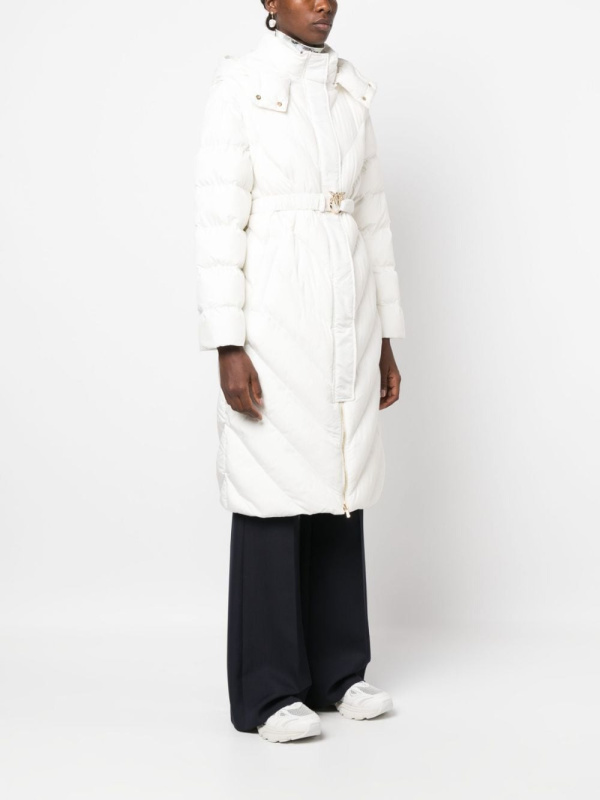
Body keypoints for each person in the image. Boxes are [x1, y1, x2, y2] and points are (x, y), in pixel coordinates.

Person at [195, 0, 406, 742]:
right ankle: (267, 690)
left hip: (349, 305)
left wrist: (387, 337)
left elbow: (373, 219)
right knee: (272, 485)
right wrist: (228, 343)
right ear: (267, 2)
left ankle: (338, 672)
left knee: (341, 484)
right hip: (275, 309)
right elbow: (217, 224)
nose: (323, 3)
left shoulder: (349, 91)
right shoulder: (240, 88)